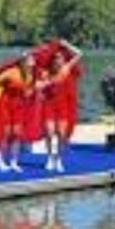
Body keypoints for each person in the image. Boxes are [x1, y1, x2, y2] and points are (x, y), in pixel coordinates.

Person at [0, 51, 36, 172]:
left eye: (32, 60)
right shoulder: (11, 73)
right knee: (6, 133)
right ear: (23, 62)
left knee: (17, 134)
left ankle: (14, 162)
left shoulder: (30, 75)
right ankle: (1, 161)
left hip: (19, 106)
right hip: (6, 105)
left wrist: (30, 94)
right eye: (30, 60)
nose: (32, 62)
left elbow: (27, 91)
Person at [37, 42, 82, 172]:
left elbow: (79, 54)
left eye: (60, 58)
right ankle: (50, 158)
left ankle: (59, 159)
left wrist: (66, 45)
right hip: (49, 105)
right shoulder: (46, 73)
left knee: (62, 135)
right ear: (52, 60)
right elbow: (38, 85)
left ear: (63, 60)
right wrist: (42, 49)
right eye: (56, 58)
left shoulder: (66, 69)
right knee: (49, 132)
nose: (58, 60)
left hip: (63, 106)